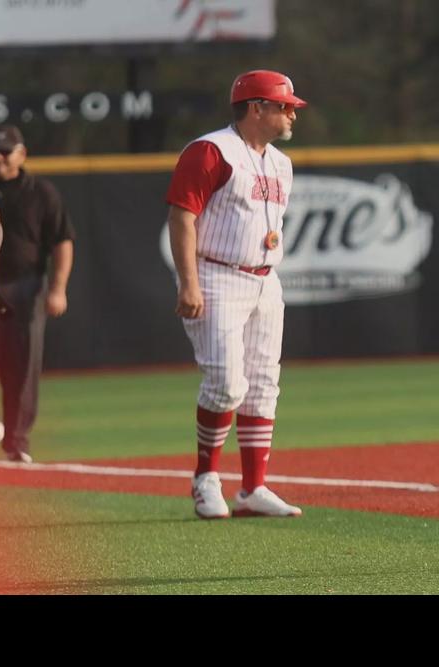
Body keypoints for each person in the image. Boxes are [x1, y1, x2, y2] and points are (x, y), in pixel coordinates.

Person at [165, 70, 308, 519]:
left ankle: (253, 487)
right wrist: (188, 281)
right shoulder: (212, 151)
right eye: (284, 106)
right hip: (216, 274)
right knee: (226, 384)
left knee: (263, 384)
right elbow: (181, 217)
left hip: (266, 279)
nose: (291, 114)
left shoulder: (280, 162)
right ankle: (206, 478)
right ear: (256, 108)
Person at [0, 125, 76, 465]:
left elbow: (62, 241)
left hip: (25, 285)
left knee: (21, 366)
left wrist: (57, 288)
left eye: (4, 150)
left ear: (21, 154)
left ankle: (17, 441)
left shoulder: (41, 192)